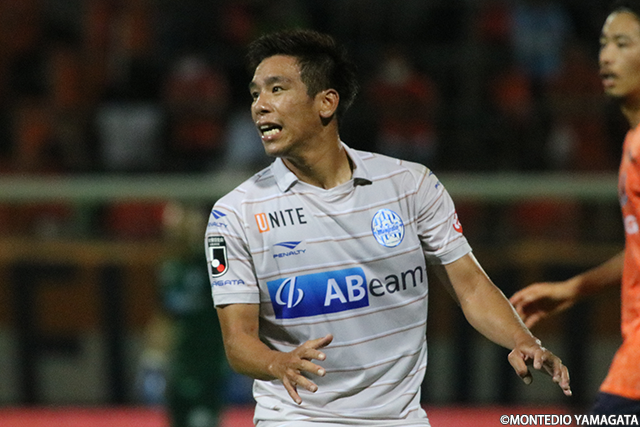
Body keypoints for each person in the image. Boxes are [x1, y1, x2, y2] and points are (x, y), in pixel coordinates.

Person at [205, 29, 571, 427]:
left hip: (400, 419)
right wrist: (278, 363)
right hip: (296, 416)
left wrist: (522, 340)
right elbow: (238, 340)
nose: (259, 106)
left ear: (326, 102)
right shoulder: (235, 214)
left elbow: (470, 286)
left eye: (276, 89)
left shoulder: (410, 186)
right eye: (255, 94)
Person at [510, 0, 640, 417]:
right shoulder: (632, 141)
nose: (607, 56)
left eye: (623, 44)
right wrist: (571, 290)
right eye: (604, 44)